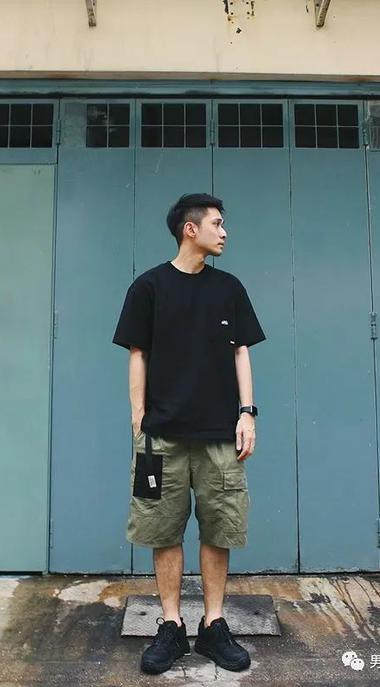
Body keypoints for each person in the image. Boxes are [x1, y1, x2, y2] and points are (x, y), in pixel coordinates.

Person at [112, 193, 266, 674]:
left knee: (220, 527)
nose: (225, 232)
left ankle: (214, 625)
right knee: (163, 529)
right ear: (190, 229)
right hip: (162, 437)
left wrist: (247, 413)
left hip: (220, 435)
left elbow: (241, 351)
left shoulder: (229, 288)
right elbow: (137, 352)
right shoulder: (149, 287)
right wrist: (139, 415)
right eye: (217, 223)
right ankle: (172, 625)